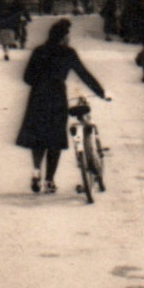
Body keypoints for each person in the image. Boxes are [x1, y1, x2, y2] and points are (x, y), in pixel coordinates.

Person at [15, 18, 111, 193]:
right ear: (64, 37)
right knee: (55, 140)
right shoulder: (68, 53)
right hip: (57, 97)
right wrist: (101, 92)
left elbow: (27, 78)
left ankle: (36, 172)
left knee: (38, 138)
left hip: (37, 97)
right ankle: (49, 181)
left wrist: (41, 80)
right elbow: (84, 74)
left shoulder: (39, 51)